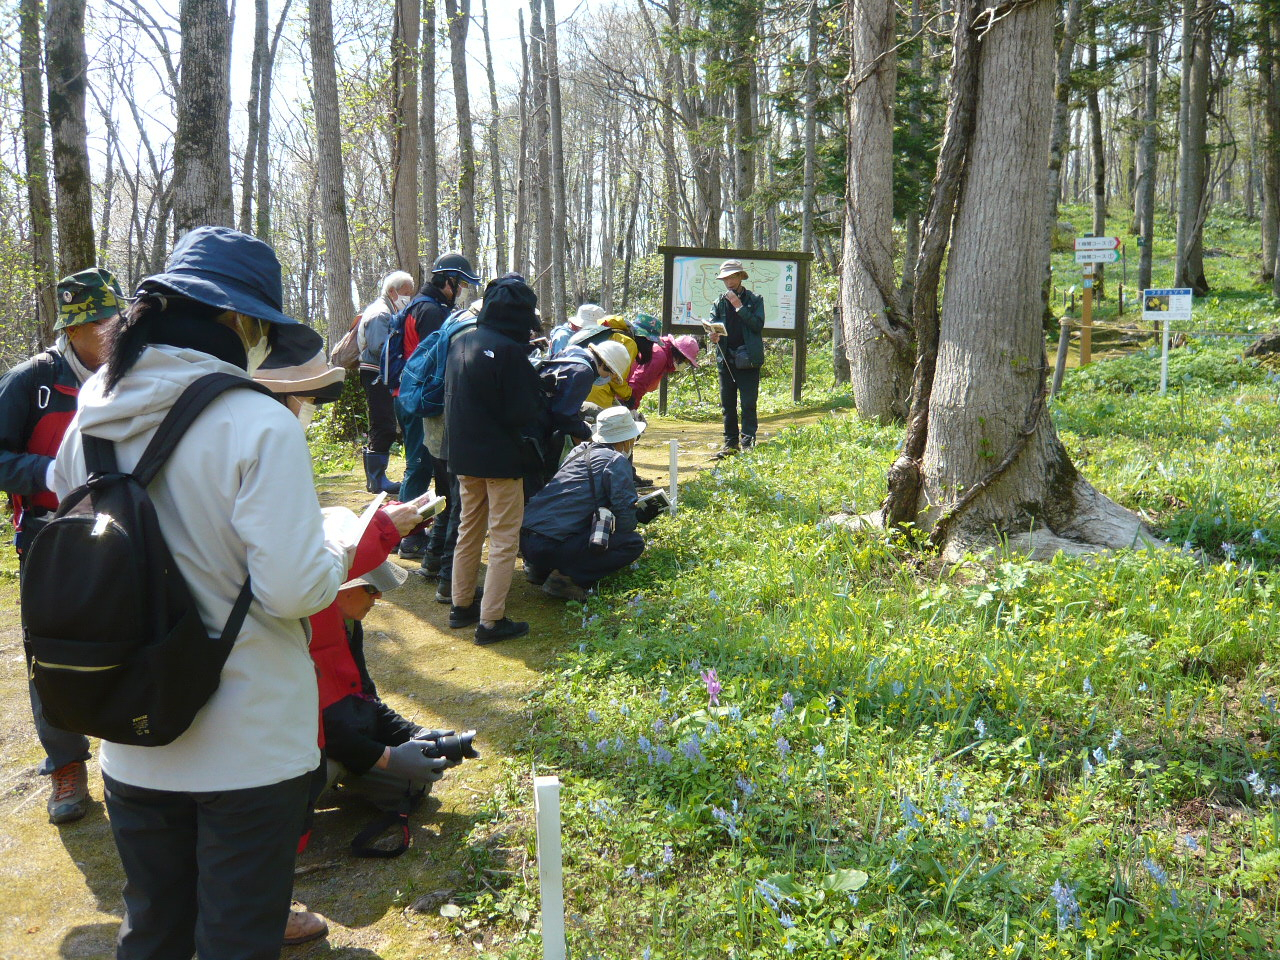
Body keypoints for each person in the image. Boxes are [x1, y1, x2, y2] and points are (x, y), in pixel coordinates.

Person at [52, 226, 354, 960]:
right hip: (250, 741)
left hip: (133, 728)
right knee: (236, 937)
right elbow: (293, 589)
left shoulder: (93, 409)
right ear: (238, 321)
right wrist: (337, 546)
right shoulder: (257, 422)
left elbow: (73, 520)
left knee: (153, 929)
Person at [2, 268, 120, 824]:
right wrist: (50, 473)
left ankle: (135, 747)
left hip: (121, 532)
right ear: (71, 330)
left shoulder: (134, 375)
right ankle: (66, 764)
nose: (112, 331)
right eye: (100, 324)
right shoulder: (31, 381)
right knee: (50, 652)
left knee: (131, 634)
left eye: (116, 319)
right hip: (48, 534)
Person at [445, 275, 544, 643]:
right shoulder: (509, 351)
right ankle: (491, 621)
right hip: (501, 458)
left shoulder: (461, 341)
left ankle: (461, 605)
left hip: (463, 455)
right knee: (503, 539)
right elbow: (522, 412)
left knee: (468, 529)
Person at [399, 253, 480, 562]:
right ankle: (410, 537)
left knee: (422, 467)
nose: (461, 291)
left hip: (413, 393)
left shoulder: (422, 305)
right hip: (423, 398)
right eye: (461, 284)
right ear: (448, 281)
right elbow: (440, 361)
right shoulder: (431, 311)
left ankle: (416, 536)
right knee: (420, 467)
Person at [520, 406, 647, 601]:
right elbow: (625, 520)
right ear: (625, 439)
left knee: (577, 521)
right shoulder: (615, 461)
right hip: (550, 544)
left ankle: (540, 569)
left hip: (526, 538)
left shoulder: (578, 451)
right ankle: (566, 579)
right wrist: (638, 515)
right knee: (632, 543)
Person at [358, 271, 415, 495]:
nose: (408, 297)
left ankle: (377, 478)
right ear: (392, 291)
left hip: (381, 373)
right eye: (405, 293)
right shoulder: (380, 313)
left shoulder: (387, 310)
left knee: (383, 423)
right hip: (376, 373)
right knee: (383, 425)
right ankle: (377, 480)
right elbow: (380, 347)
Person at [707, 259, 765, 456]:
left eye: (732, 277)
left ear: (740, 277)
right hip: (726, 359)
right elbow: (713, 324)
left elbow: (757, 325)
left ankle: (748, 442)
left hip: (748, 359)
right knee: (728, 405)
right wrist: (713, 336)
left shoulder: (755, 300)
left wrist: (739, 306)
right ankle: (730, 443)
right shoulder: (719, 302)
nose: (729, 282)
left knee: (748, 403)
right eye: (726, 278)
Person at [628, 331, 702, 408]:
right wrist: (631, 407)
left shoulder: (663, 352)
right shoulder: (659, 356)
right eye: (686, 361)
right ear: (680, 355)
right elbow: (638, 383)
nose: (685, 365)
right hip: (623, 390)